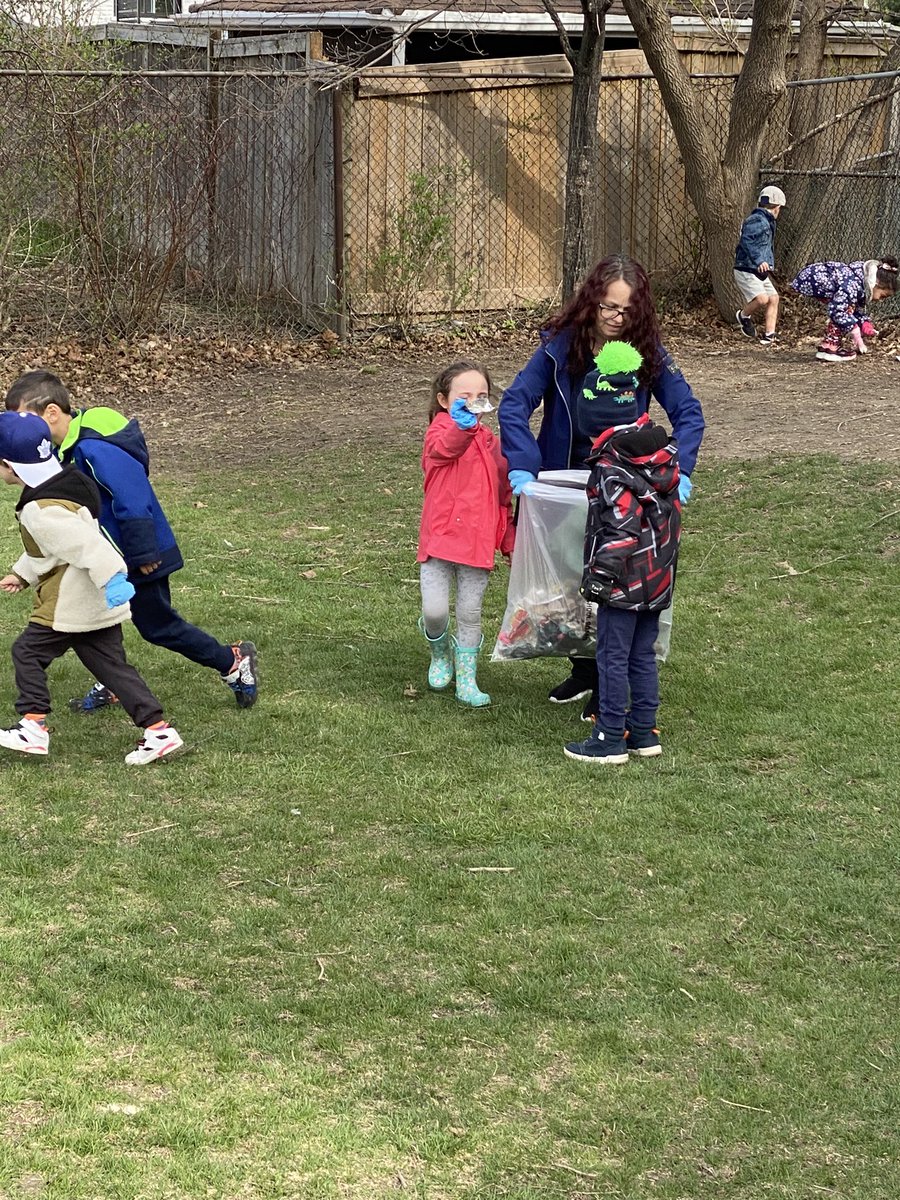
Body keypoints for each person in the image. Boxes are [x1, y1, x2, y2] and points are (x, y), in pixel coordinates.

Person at [498, 253, 703, 719]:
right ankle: (585, 669)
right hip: (564, 481)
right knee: (570, 580)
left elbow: (689, 413)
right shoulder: (558, 346)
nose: (615, 318)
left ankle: (607, 681)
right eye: (608, 307)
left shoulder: (647, 352)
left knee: (614, 583)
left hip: (624, 489)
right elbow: (515, 404)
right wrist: (525, 466)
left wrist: (680, 468)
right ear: (591, 301)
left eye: (626, 311)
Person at [5, 371, 258, 712]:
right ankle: (113, 682)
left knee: (158, 626)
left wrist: (142, 551)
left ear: (51, 413)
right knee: (101, 621)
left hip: (141, 554)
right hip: (106, 559)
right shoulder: (61, 452)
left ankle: (232, 660)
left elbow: (133, 496)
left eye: (25, 418)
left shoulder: (95, 446)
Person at [0, 410, 184, 764]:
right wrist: (23, 574)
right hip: (95, 600)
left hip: (72, 600)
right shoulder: (65, 481)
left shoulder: (40, 508)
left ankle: (33, 725)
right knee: (113, 669)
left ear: (10, 465)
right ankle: (159, 731)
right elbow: (54, 546)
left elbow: (88, 545)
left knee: (27, 652)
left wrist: (115, 578)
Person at [563, 343, 680, 764]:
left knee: (612, 656)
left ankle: (610, 734)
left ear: (596, 423)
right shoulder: (662, 459)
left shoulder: (611, 470)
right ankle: (645, 731)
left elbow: (621, 526)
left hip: (623, 585)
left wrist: (599, 576)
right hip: (657, 579)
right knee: (641, 655)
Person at [417, 360, 514, 707]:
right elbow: (444, 450)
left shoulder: (493, 444)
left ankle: (467, 679)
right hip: (439, 542)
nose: (474, 401)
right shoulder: (440, 431)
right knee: (435, 612)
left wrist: (507, 540)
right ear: (445, 400)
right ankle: (440, 651)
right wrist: (462, 427)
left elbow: (503, 495)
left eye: (481, 395)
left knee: (470, 613)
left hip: (477, 545)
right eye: (464, 395)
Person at [790, 257, 899, 362]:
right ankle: (831, 349)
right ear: (876, 283)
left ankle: (827, 346)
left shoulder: (857, 280)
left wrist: (864, 323)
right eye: (882, 296)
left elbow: (853, 306)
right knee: (843, 312)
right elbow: (838, 311)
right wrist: (855, 331)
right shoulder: (851, 284)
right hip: (812, 279)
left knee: (846, 310)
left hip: (811, 277)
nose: (880, 300)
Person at [733, 184, 785, 345]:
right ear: (776, 207)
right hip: (746, 268)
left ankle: (770, 335)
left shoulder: (765, 220)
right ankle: (743, 316)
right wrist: (759, 260)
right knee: (762, 299)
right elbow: (746, 241)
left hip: (757, 269)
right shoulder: (757, 220)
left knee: (773, 298)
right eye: (780, 208)